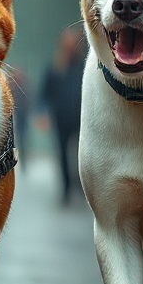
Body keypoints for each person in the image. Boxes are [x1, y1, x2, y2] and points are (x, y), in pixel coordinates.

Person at [41, 26, 87, 203]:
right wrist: (43, 112)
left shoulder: (84, 64)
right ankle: (66, 188)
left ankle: (82, 186)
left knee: (82, 153)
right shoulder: (54, 66)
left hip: (82, 118)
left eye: (72, 42)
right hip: (60, 117)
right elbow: (44, 93)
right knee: (62, 153)